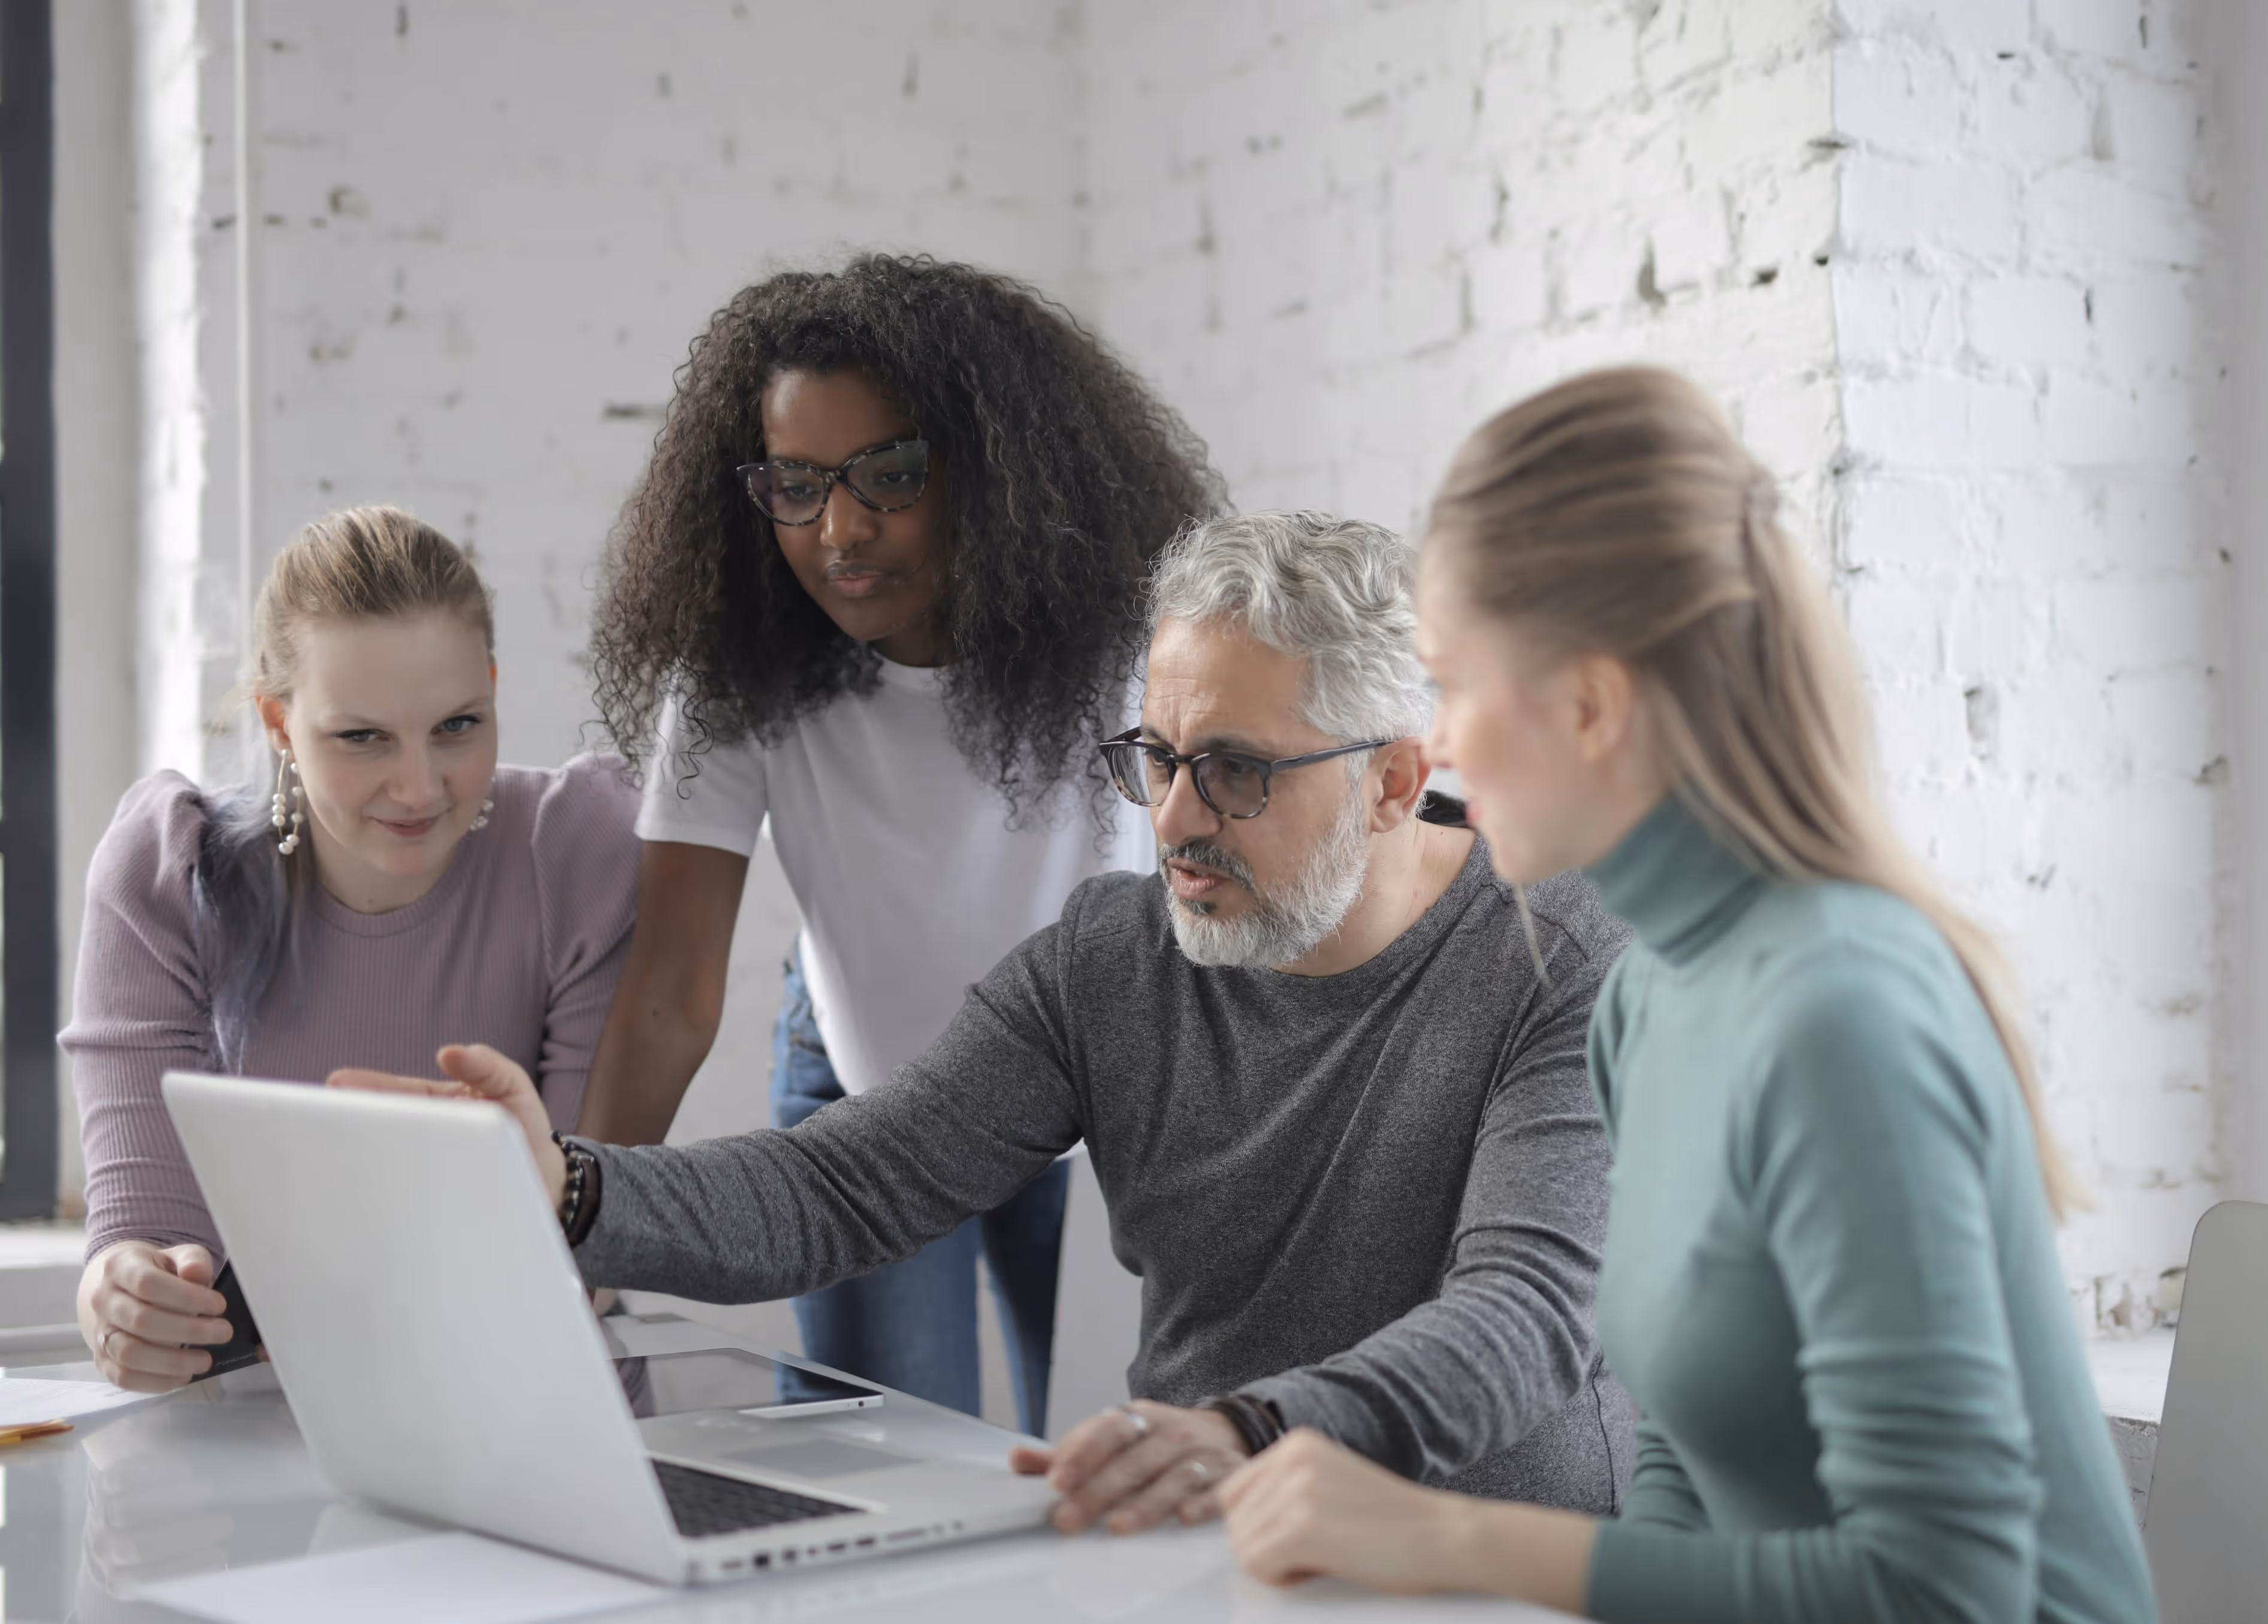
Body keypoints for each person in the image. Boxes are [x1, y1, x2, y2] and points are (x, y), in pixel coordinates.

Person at [339, 512, 1636, 1540]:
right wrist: (566, 1181)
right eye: (1159, 756)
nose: (1174, 819)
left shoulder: (1559, 956)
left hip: (1490, 1563)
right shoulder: (1115, 956)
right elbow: (844, 1184)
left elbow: (1520, 1317)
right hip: (1217, 1544)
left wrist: (1243, 1429)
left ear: (1393, 779)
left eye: (1234, 771)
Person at [1214, 370, 2158, 1622]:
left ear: (1590, 704)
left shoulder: (1841, 1015)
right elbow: (1683, 1453)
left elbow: (1942, 1591)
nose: (1431, 744)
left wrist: (1450, 1536)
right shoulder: (1645, 996)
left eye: (1450, 683)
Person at [577, 255, 1220, 1431]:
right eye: (797, 482)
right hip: (865, 1098)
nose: (839, 529)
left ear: (995, 469)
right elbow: (669, 989)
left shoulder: (1131, 636)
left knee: (1099, 1464)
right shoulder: (733, 670)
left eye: (889, 474)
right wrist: (577, 1232)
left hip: (1105, 1105)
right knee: (874, 1478)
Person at [62, 506, 639, 1393]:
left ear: (492, 686)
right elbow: (148, 1236)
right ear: (278, 723)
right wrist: (127, 1298)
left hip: (520, 1397)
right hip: (256, 1409)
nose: (419, 786)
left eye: (458, 724)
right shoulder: (169, 876)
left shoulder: (575, 853)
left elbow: (577, 1244)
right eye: (361, 736)